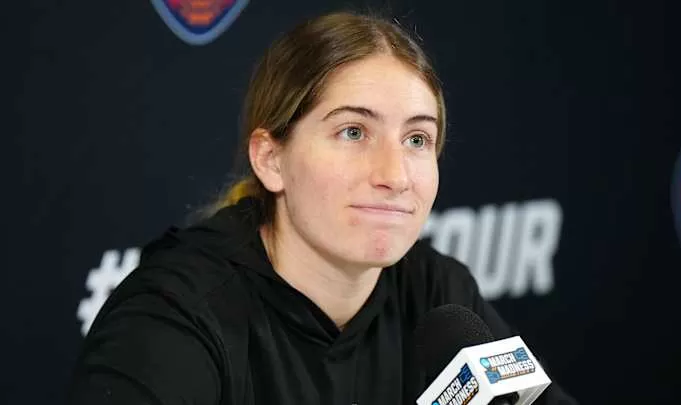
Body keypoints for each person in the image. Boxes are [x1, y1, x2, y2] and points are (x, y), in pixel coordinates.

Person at [68, 10, 578, 405]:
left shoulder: (439, 294)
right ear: (271, 160)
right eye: (353, 132)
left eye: (418, 139)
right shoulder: (177, 315)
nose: (395, 175)